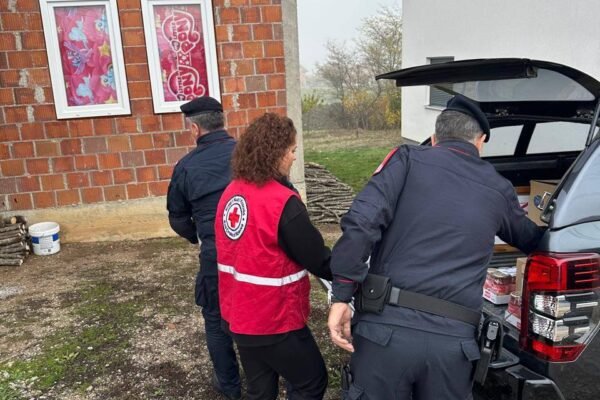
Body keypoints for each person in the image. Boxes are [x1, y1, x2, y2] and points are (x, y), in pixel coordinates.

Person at [327, 94, 546, 400]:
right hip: (453, 347)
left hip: (385, 333)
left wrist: (342, 294)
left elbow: (362, 222)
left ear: (434, 138)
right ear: (480, 141)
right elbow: (533, 240)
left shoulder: (406, 160)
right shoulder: (498, 188)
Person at [215, 113, 332, 400]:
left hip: (238, 314)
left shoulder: (232, 192)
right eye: (291, 150)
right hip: (274, 318)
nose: (294, 157)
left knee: (260, 390)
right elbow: (318, 259)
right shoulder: (281, 202)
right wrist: (353, 265)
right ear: (275, 153)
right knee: (311, 381)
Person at [166, 96, 241, 400]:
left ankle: (229, 386)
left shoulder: (185, 167)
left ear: (195, 129)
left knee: (215, 318)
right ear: (222, 122)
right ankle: (264, 380)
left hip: (216, 256)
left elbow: (177, 218)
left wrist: (198, 237)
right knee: (260, 313)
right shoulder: (249, 154)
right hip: (258, 251)